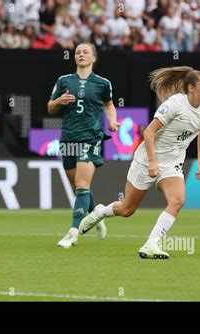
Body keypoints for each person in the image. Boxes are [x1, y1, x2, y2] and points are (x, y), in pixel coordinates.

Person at [79, 66, 200, 259]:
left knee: (177, 201)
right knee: (127, 209)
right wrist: (152, 161)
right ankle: (100, 213)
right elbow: (148, 132)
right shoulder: (175, 105)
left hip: (172, 164)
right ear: (191, 88)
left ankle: (151, 244)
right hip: (146, 160)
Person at [47, 42, 120, 249]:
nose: (80, 54)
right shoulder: (64, 80)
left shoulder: (103, 83)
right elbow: (50, 107)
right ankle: (97, 213)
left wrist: (112, 121)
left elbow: (109, 104)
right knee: (78, 187)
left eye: (85, 52)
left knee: (81, 184)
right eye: (77, 52)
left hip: (91, 137)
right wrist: (59, 101)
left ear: (93, 58)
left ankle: (73, 232)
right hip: (68, 138)